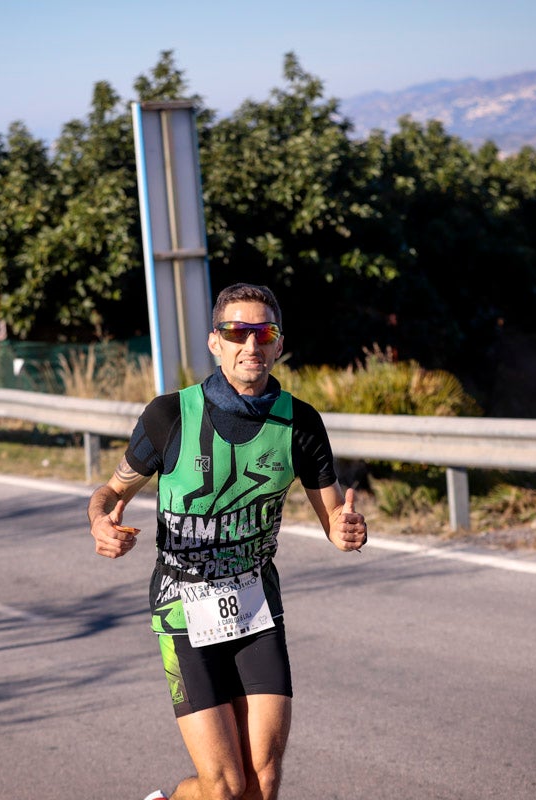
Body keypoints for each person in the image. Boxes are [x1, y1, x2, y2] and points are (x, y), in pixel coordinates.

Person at [87, 283, 368, 800]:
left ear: (279, 344)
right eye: (237, 333)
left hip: (257, 606)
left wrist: (348, 532)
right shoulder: (169, 415)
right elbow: (111, 491)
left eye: (264, 333)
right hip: (181, 607)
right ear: (215, 342)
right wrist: (101, 520)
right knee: (224, 787)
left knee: (262, 779)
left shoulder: (300, 423)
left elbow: (334, 521)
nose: (251, 345)